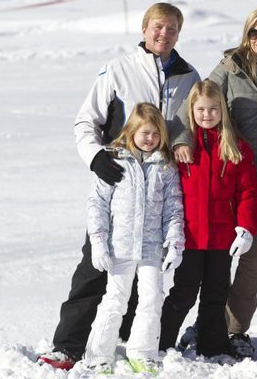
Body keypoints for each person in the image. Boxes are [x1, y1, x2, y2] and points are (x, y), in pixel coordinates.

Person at [38, 2, 200, 370]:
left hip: (160, 184)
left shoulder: (188, 76)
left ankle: (129, 342)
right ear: (144, 29)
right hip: (120, 184)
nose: (164, 34)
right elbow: (86, 121)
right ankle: (68, 344)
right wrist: (96, 157)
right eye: (158, 27)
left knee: (147, 281)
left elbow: (189, 124)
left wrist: (182, 142)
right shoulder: (118, 69)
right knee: (96, 268)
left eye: (172, 28)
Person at [171, 5, 257, 358]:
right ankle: (203, 325)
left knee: (251, 259)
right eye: (254, 32)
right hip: (223, 174)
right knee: (210, 259)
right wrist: (182, 140)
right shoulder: (229, 69)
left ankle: (233, 329)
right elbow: (193, 107)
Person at [159, 79, 257, 358]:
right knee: (183, 294)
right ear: (191, 110)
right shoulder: (181, 148)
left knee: (216, 294)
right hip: (189, 236)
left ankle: (212, 347)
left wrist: (245, 228)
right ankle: (159, 342)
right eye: (201, 109)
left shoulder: (236, 147)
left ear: (222, 110)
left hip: (221, 237)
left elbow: (248, 191)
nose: (207, 115)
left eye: (213, 109)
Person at [83, 103, 184, 375]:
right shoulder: (114, 160)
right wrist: (98, 242)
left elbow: (174, 209)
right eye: (144, 133)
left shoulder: (165, 166)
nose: (149, 139)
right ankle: (98, 353)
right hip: (120, 247)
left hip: (152, 248)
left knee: (152, 299)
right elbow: (98, 205)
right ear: (131, 131)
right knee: (115, 299)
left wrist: (175, 243)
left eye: (155, 134)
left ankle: (142, 351)